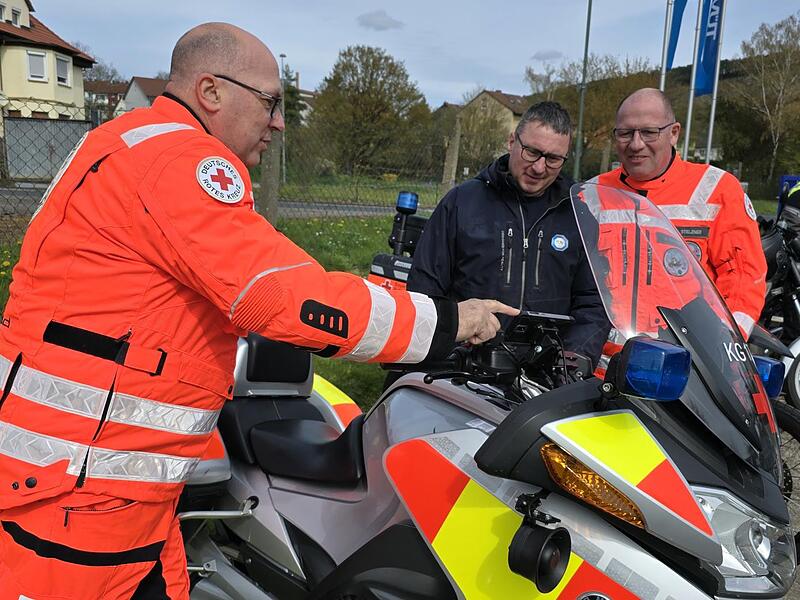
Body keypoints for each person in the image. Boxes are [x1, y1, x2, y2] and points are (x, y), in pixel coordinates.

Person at [0, 23, 516, 600]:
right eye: (270, 102)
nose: (279, 122)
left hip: (95, 477)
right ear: (211, 91)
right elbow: (284, 296)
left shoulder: (128, 140)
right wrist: (450, 322)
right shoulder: (180, 160)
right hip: (85, 491)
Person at [407, 101, 611, 367]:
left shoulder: (579, 215)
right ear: (512, 141)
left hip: (546, 373)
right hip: (462, 366)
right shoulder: (461, 202)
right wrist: (447, 347)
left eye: (553, 159)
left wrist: (572, 360)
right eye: (531, 152)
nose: (539, 168)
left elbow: (595, 302)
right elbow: (424, 289)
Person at [592, 88, 766, 339]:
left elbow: (743, 279)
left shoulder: (717, 189)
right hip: (604, 355)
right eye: (625, 133)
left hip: (688, 355)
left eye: (649, 132)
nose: (636, 144)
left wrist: (724, 343)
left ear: (673, 133)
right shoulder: (593, 192)